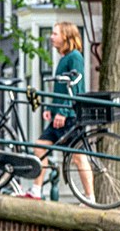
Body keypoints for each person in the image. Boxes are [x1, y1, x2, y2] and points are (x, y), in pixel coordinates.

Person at [33, 22, 89, 201]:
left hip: (70, 116)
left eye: (55, 33)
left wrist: (63, 111)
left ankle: (90, 197)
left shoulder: (75, 57)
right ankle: (36, 190)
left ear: (66, 36)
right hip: (60, 115)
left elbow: (75, 85)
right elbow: (61, 88)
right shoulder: (64, 58)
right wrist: (51, 108)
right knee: (40, 147)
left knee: (78, 157)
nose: (51, 37)